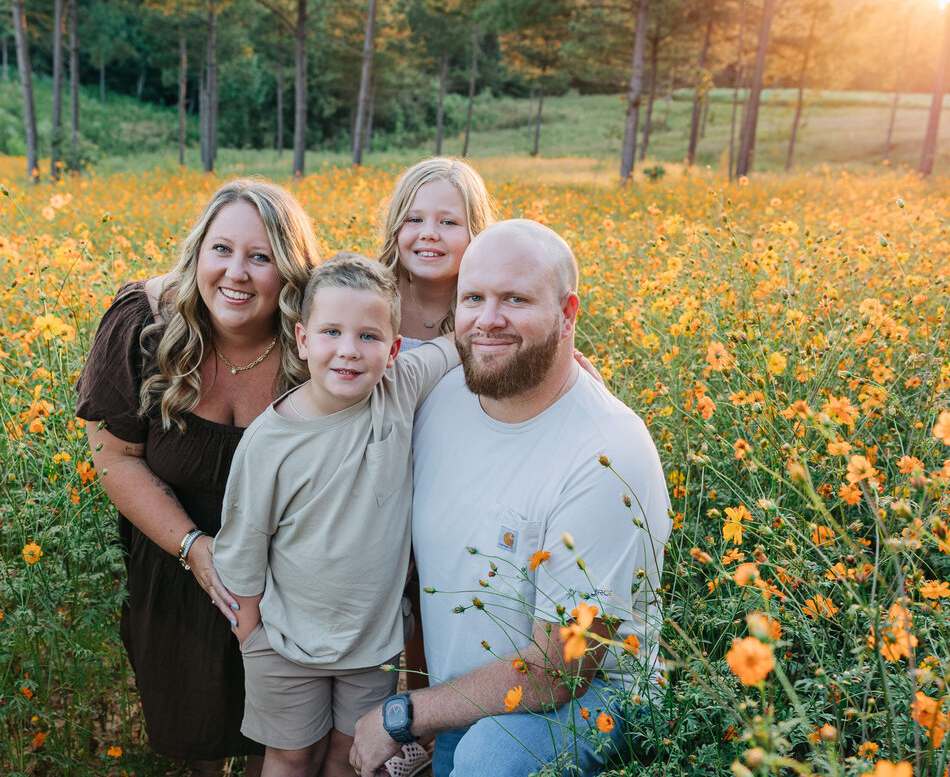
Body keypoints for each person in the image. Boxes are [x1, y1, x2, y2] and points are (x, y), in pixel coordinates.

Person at [350, 220, 672, 777]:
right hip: (469, 703)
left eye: (515, 300)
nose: (488, 319)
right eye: (473, 298)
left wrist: (405, 715)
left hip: (591, 699)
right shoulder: (441, 400)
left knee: (488, 760)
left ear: (568, 313)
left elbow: (561, 669)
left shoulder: (607, 455)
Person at [76, 179, 321, 776]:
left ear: (289, 272)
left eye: (260, 257)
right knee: (197, 745)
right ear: (197, 252)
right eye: (222, 250)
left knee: (289, 749)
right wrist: (195, 547)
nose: (236, 273)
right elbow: (116, 457)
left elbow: (406, 358)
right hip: (177, 570)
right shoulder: (144, 326)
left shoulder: (320, 341)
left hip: (291, 584)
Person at [213, 253, 460, 777]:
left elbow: (459, 344)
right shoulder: (269, 443)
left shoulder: (400, 388)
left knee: (351, 757)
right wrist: (253, 635)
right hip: (283, 642)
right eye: (331, 332)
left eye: (369, 337)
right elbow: (242, 549)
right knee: (290, 756)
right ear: (302, 340)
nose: (349, 351)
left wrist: (558, 355)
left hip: (371, 643)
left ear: (394, 349)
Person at [377, 157, 496, 352]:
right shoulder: (367, 298)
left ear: (476, 231)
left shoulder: (492, 312)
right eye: (414, 219)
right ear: (396, 227)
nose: (429, 234)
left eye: (448, 222)